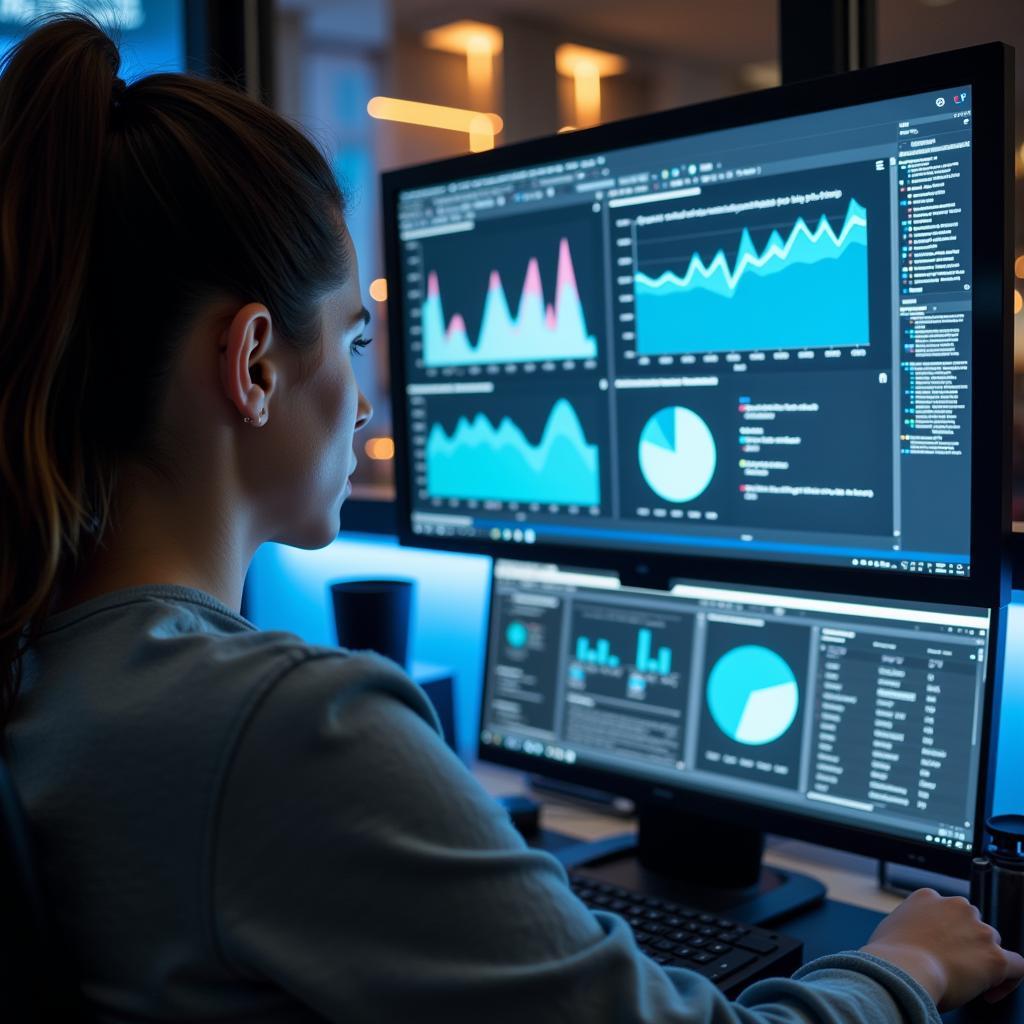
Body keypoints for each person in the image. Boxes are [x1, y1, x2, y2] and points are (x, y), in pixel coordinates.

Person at [0, 15, 1020, 1024]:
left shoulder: (45, 663)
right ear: (255, 363)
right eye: (355, 341)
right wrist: (907, 968)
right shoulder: (290, 728)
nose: (362, 405)